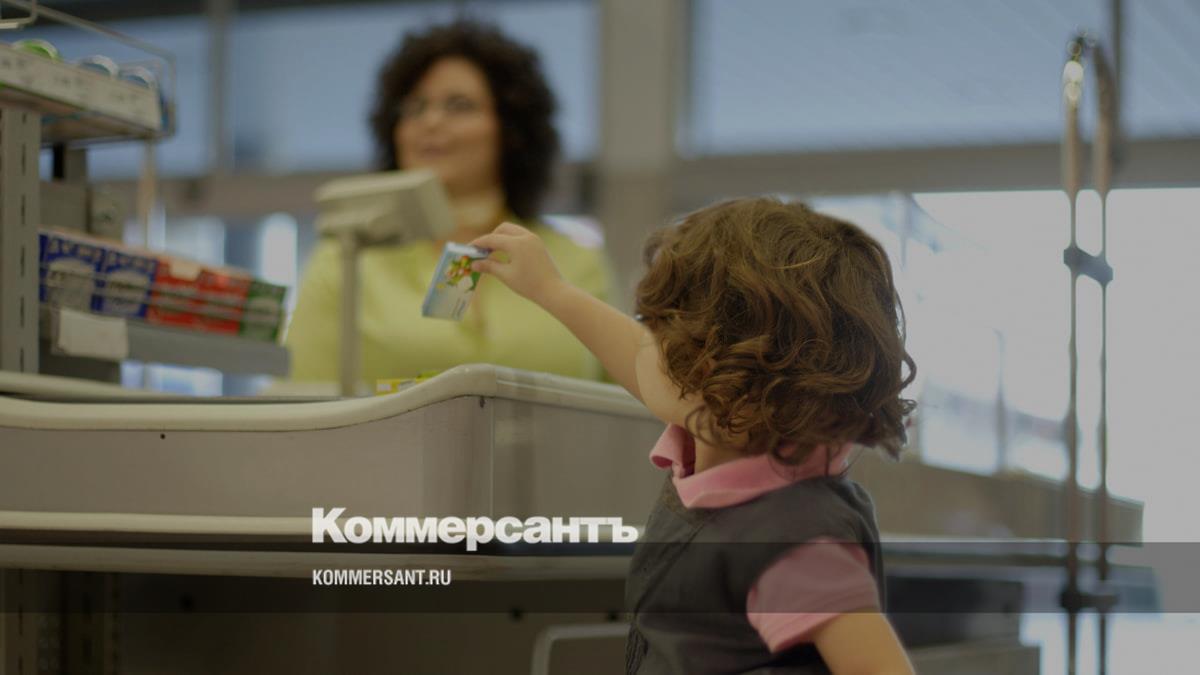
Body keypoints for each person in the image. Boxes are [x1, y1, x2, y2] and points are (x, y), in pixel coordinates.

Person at [469, 198, 916, 674]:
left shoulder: (793, 542)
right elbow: (639, 359)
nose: (643, 344)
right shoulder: (719, 434)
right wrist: (551, 291)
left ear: (712, 375)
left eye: (660, 331)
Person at [285, 20, 613, 383]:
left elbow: (631, 400)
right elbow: (296, 399)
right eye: (414, 108)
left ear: (512, 129)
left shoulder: (577, 264)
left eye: (459, 105)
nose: (431, 122)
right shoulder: (347, 259)